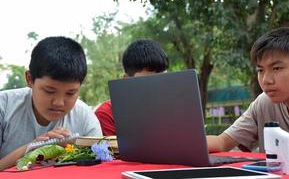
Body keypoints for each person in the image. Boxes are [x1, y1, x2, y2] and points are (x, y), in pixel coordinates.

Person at [0, 36, 102, 170]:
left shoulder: (85, 118)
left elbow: (100, 168)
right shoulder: (4, 106)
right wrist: (34, 148)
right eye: (49, 91)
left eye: (70, 93)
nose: (59, 103)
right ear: (30, 79)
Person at [207, 27, 289, 155]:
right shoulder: (264, 104)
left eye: (277, 68)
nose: (266, 80)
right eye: (260, 70)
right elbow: (222, 142)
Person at [95, 39, 169, 136]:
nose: (157, 87)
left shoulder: (177, 108)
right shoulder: (107, 114)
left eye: (163, 78)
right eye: (147, 81)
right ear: (127, 80)